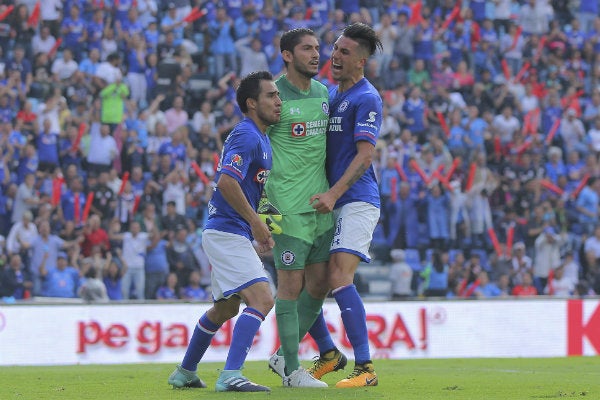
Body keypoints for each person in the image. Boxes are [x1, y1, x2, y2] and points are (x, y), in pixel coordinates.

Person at [167, 70, 281, 392]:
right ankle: (231, 374)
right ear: (251, 103)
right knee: (262, 298)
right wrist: (256, 224)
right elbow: (226, 181)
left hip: (229, 230)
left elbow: (246, 189)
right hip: (226, 231)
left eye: (278, 95)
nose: (278, 101)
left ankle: (185, 372)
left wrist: (260, 224)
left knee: (226, 308)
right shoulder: (247, 135)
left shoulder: (261, 138)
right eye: (271, 95)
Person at [310, 23, 383, 388]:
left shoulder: (366, 98)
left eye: (345, 52)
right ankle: (328, 354)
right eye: (335, 49)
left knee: (339, 275)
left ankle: (366, 367)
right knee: (309, 282)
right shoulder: (330, 96)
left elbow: (366, 155)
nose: (335, 56)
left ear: (362, 61)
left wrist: (334, 194)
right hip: (329, 202)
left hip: (356, 200)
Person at [264, 28, 338, 388]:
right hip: (287, 208)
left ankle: (281, 355)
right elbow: (254, 148)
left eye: (317, 49)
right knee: (289, 287)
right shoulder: (273, 96)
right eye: (307, 49)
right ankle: (293, 371)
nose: (316, 55)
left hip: (321, 207)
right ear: (287, 55)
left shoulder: (324, 93)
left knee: (321, 283)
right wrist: (261, 208)